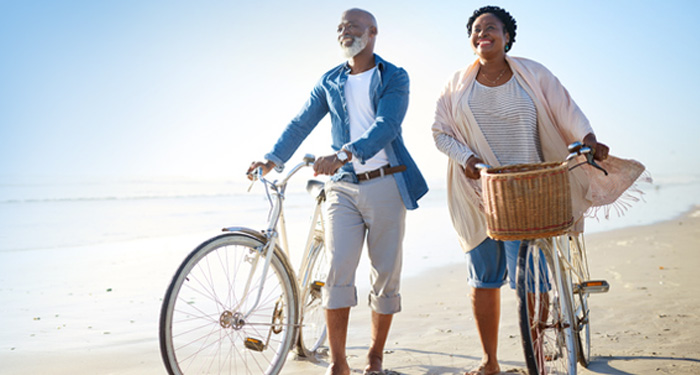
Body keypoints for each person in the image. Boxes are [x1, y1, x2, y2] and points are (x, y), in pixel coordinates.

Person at [431, 6, 646, 375]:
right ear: (471, 40)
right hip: (479, 189)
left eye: (491, 27)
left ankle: (536, 349)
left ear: (507, 37)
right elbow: (440, 132)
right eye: (477, 29)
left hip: (531, 189)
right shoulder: (455, 85)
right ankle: (490, 362)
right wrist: (466, 159)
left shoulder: (533, 74)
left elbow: (566, 109)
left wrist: (587, 138)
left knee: (531, 280)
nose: (483, 33)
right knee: (483, 278)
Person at [248, 8, 428, 375]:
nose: (344, 31)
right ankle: (339, 363)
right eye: (340, 27)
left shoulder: (394, 76)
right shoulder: (329, 81)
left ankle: (375, 357)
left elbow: (387, 125)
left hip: (386, 183)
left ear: (373, 32)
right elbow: (301, 122)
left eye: (353, 25)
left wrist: (346, 152)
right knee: (337, 272)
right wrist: (272, 159)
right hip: (343, 187)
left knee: (384, 276)